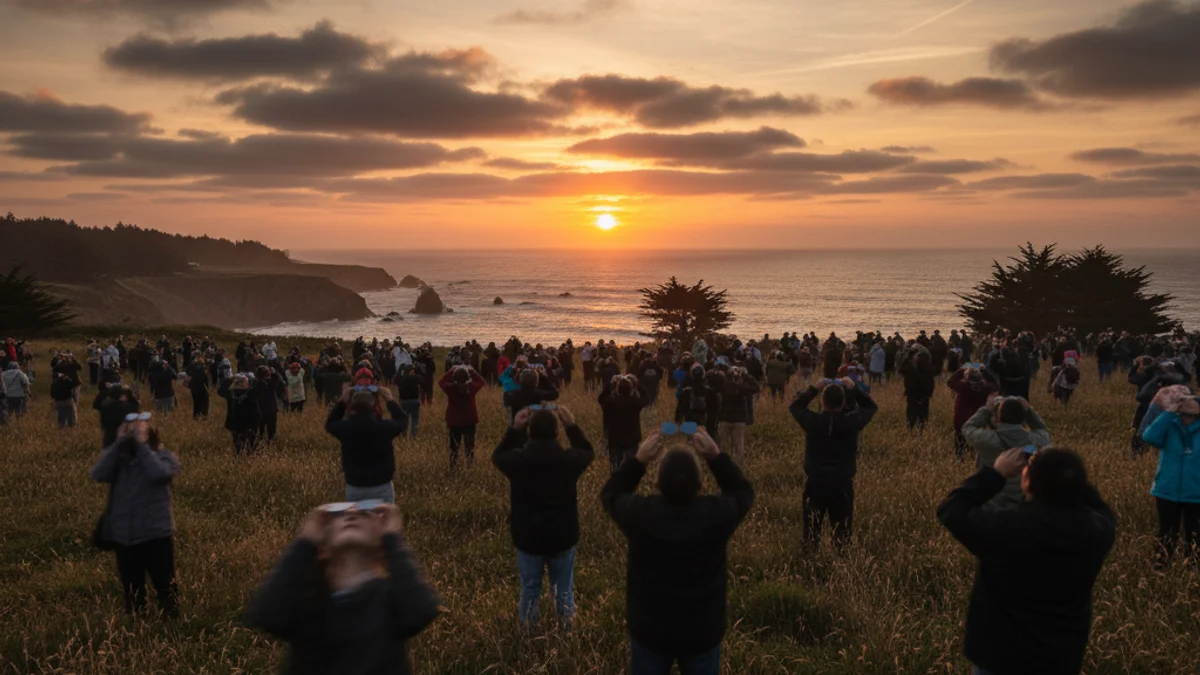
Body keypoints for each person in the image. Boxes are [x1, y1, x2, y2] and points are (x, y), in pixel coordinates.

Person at [938, 447, 1115, 675]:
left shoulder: (1009, 529)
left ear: (1027, 483)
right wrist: (1063, 471)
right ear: (1079, 487)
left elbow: (951, 509)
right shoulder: (1097, 532)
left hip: (999, 657)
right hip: (1060, 658)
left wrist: (996, 473)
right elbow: (1099, 506)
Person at [601, 426, 753, 675]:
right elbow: (743, 492)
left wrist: (638, 461)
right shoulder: (716, 515)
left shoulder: (641, 514)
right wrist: (715, 457)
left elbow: (611, 494)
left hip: (651, 632)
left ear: (657, 483)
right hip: (701, 633)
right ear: (702, 484)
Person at [246, 502, 441, 675]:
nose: (351, 515)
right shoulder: (311, 601)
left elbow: (421, 610)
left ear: (380, 544)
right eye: (339, 515)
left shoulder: (389, 597)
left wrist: (392, 538)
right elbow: (267, 614)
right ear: (323, 548)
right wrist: (306, 542)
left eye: (365, 513)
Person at [493, 406, 594, 627]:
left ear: (529, 432)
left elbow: (498, 456)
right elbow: (587, 452)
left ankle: (529, 634)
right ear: (557, 433)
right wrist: (572, 426)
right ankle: (567, 631)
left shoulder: (519, 460)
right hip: (562, 535)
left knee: (530, 587)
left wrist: (514, 428)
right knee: (563, 589)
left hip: (528, 536)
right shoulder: (567, 460)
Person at [90, 413, 181, 617]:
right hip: (125, 535)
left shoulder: (165, 457)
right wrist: (119, 442)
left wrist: (141, 446)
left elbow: (158, 473)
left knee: (165, 583)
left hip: (156, 534)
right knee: (132, 587)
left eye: (141, 428)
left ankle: (172, 623)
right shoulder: (120, 462)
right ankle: (137, 624)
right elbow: (98, 473)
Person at [789, 377, 878, 549]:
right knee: (842, 533)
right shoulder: (850, 422)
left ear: (822, 402)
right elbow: (870, 407)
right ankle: (840, 565)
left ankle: (811, 567)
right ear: (843, 402)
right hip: (842, 484)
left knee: (811, 533)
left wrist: (814, 389)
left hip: (815, 483)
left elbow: (795, 406)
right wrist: (854, 389)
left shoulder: (814, 422)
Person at [1141, 394, 1200, 567]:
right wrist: (1169, 413)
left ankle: (1192, 573)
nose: (1186, 418)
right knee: (1166, 534)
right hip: (1167, 490)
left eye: (1191, 414)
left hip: (1196, 492)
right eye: (1184, 413)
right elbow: (1149, 436)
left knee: (1195, 536)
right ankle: (1160, 570)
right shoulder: (1170, 425)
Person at [962, 397, 1051, 510]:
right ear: (1023, 419)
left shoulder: (988, 440)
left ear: (998, 418)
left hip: (991, 500)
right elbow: (1042, 429)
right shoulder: (1034, 442)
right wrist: (1029, 411)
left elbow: (967, 427)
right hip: (1021, 501)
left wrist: (986, 409)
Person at [325, 387, 408, 503]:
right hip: (382, 486)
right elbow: (403, 421)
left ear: (352, 407)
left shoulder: (346, 427)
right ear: (374, 407)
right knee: (383, 521)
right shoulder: (383, 427)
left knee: (358, 521)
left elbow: (330, 424)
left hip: (355, 486)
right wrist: (390, 400)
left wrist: (342, 402)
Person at [598, 374, 651, 472]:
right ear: (631, 389)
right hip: (632, 439)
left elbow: (600, 399)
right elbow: (647, 399)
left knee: (615, 466)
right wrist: (637, 384)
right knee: (629, 467)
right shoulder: (634, 402)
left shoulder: (611, 402)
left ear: (617, 389)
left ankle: (615, 483)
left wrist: (610, 385)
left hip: (615, 439)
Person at [947, 365, 998, 460]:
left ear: (967, 377)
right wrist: (985, 372)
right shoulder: (985, 387)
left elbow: (950, 382)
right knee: (974, 443)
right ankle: (972, 458)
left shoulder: (964, 387)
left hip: (961, 419)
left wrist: (961, 371)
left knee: (960, 442)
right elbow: (995, 386)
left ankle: (960, 459)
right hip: (977, 419)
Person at [438, 365, 486, 467]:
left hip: (454, 421)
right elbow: (482, 382)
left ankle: (453, 466)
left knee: (454, 447)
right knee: (469, 446)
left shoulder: (451, 388)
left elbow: (441, 382)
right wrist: (472, 371)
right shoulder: (471, 388)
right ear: (467, 377)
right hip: (470, 420)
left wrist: (451, 370)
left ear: (454, 377)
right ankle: (470, 464)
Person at [220, 374, 262, 455]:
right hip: (249, 422)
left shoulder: (231, 394)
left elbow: (221, 391)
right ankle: (248, 455)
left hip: (236, 422)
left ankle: (239, 457)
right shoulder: (250, 393)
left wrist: (229, 379)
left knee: (238, 445)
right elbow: (261, 387)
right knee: (250, 444)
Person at [899, 347, 936, 430]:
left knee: (911, 416)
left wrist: (908, 357)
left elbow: (901, 369)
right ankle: (920, 432)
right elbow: (931, 385)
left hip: (913, 396)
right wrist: (929, 394)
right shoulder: (929, 370)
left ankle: (911, 430)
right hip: (924, 397)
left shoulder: (912, 370)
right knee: (922, 417)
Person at [94, 383, 140, 448]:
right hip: (128, 442)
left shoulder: (107, 407)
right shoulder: (132, 407)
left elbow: (97, 405)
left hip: (110, 440)